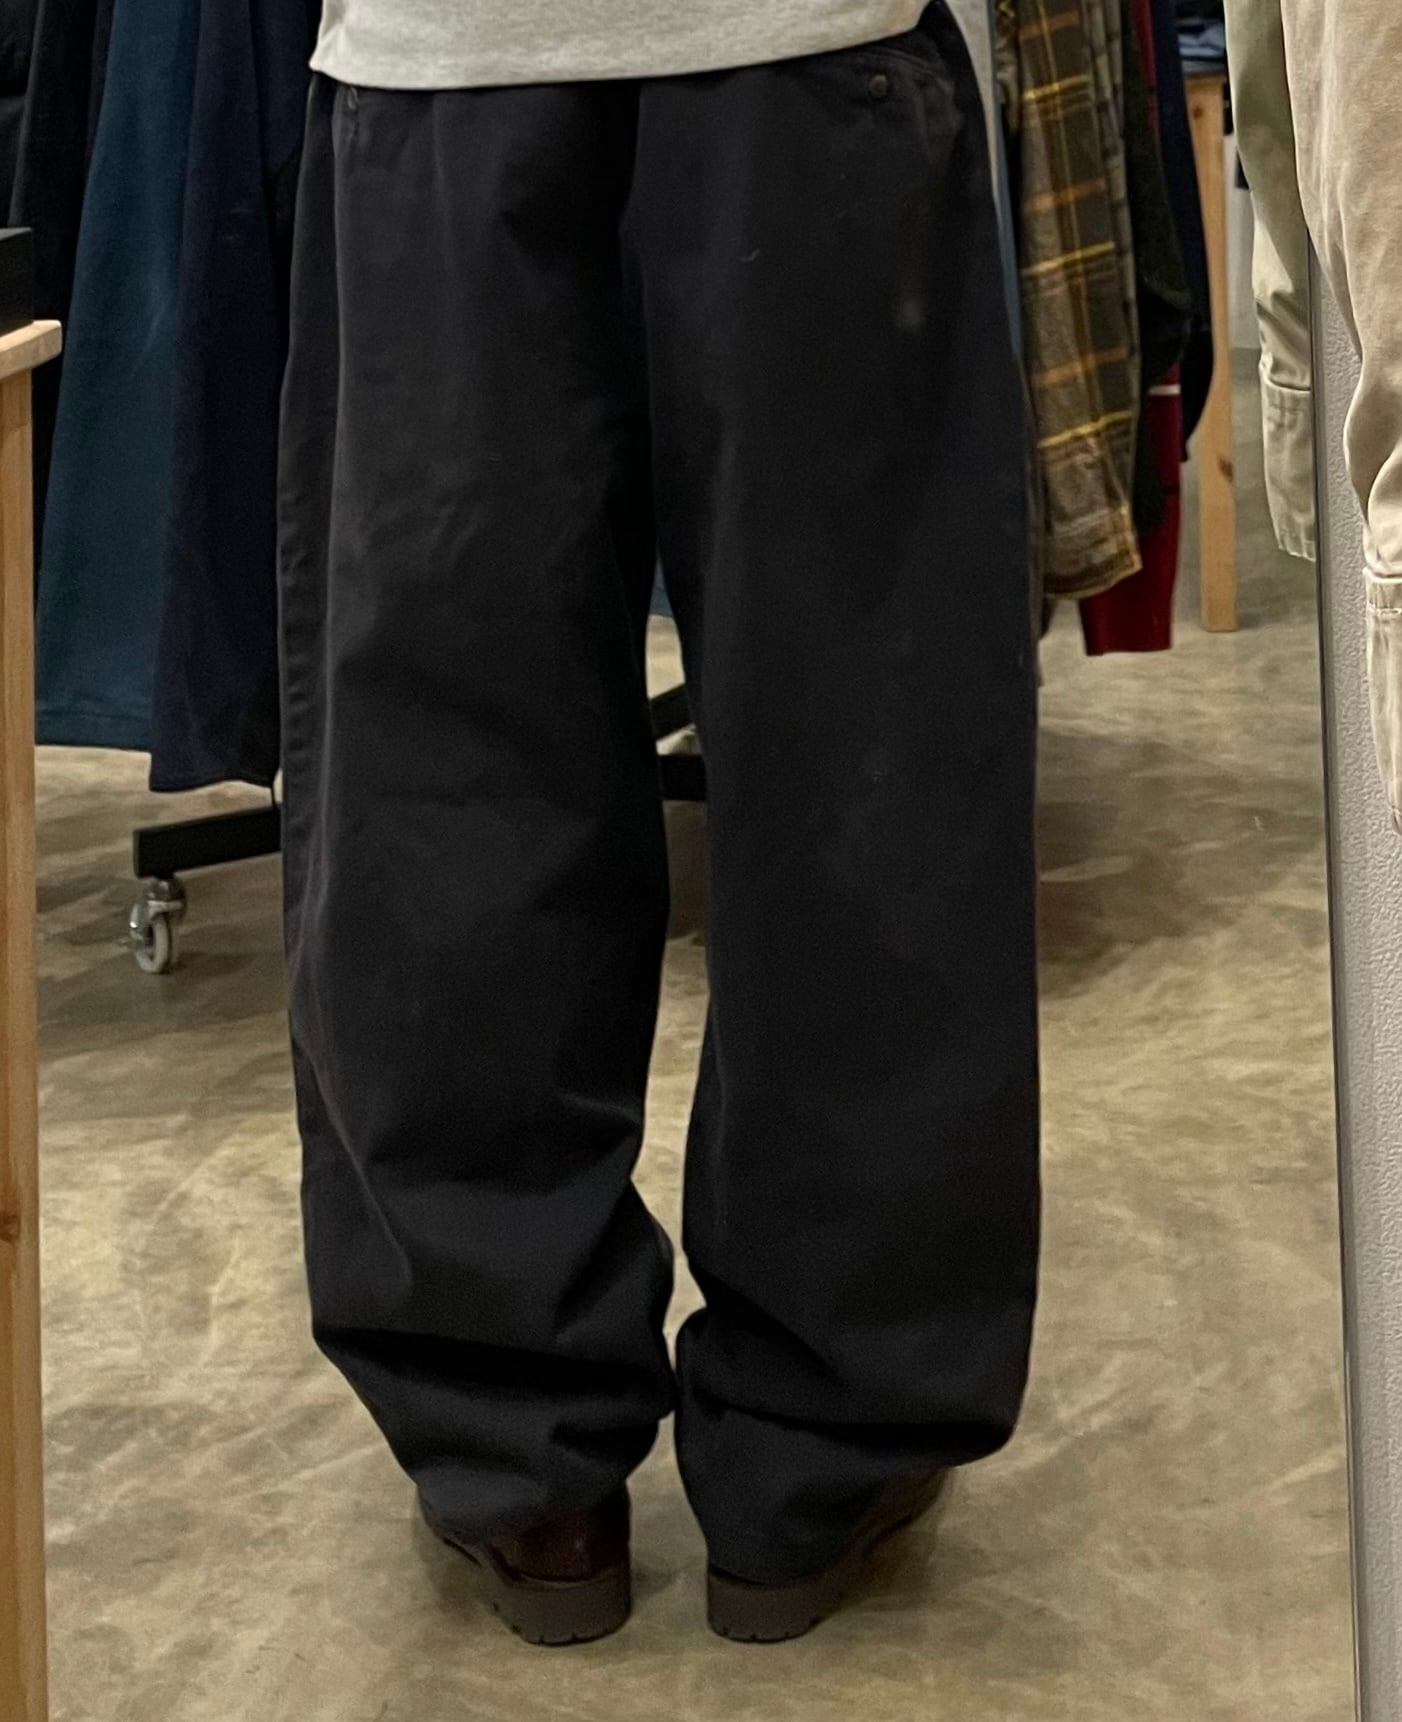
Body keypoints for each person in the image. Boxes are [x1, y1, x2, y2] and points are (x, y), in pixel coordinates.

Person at [277, 0, 1041, 1644]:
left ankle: (522, 1455)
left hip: (448, 57)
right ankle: (823, 1448)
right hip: (805, 53)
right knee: (864, 759)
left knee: (449, 766)